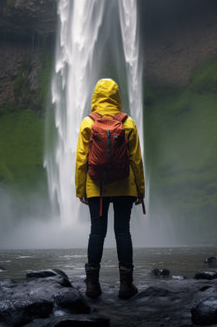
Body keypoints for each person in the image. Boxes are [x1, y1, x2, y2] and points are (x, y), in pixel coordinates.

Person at [75, 78, 145, 299]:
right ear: (117, 96)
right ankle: (126, 286)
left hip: (97, 187)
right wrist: (140, 190)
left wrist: (80, 189)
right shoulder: (128, 123)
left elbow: (81, 160)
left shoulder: (88, 123)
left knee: (97, 232)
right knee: (122, 231)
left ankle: (92, 285)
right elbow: (136, 160)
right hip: (125, 187)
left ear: (96, 96)